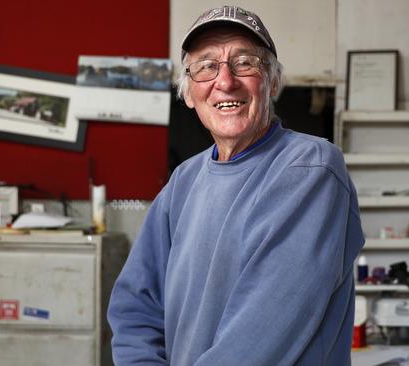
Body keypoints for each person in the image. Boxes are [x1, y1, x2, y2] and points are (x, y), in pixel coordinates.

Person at [108, 5, 365, 365]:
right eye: (206, 66)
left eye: (245, 63)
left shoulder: (310, 168)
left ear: (273, 82)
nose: (225, 81)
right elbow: (136, 306)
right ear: (188, 92)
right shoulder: (183, 182)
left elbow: (263, 333)